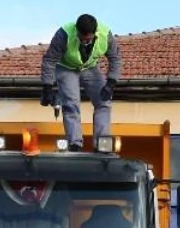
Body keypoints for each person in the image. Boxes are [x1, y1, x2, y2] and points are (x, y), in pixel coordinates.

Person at [40, 14, 121, 152]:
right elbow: (49, 61)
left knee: (104, 102)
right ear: (76, 31)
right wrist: (47, 87)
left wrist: (111, 82)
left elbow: (115, 59)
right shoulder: (63, 34)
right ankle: (74, 143)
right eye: (82, 39)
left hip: (90, 68)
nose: (84, 42)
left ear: (95, 33)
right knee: (71, 103)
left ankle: (102, 144)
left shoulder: (106, 35)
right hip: (66, 68)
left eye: (88, 39)